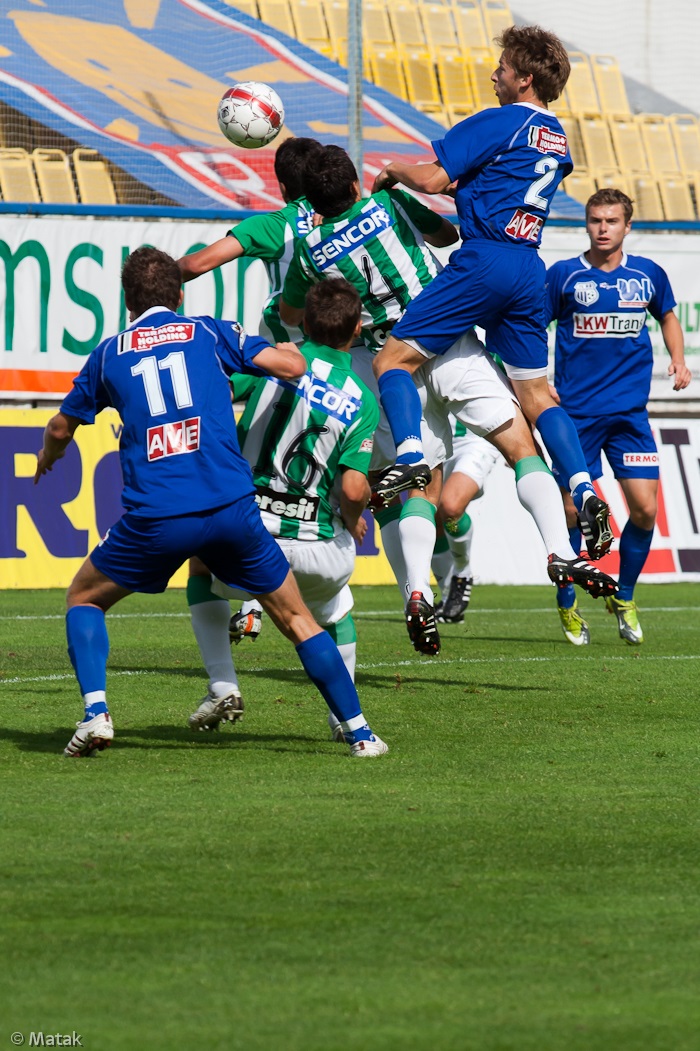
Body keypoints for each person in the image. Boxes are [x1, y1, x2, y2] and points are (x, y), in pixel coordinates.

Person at [34, 247, 387, 759]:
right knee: (297, 618)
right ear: (179, 295)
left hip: (157, 516)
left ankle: (96, 714)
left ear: (128, 300)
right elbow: (288, 363)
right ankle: (359, 733)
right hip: (232, 509)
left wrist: (49, 454)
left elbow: (61, 426)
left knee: (84, 598)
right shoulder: (207, 331)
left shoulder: (110, 353)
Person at [281, 145, 617, 655]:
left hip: (389, 364)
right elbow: (447, 233)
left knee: (419, 489)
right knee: (521, 448)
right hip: (450, 344)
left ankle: (417, 589)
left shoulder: (308, 249)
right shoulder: (390, 205)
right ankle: (556, 548)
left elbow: (292, 311)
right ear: (354, 186)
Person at [369, 25, 615, 564]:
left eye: (502, 68)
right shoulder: (556, 137)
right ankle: (583, 487)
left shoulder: (501, 120)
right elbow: (489, 184)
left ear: (525, 78)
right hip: (530, 267)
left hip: (486, 261)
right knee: (538, 398)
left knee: (392, 360)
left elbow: (433, 180)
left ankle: (410, 457)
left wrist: (394, 171)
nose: (494, 75)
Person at [192, 278, 379, 742]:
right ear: (356, 329)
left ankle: (222, 683)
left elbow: (212, 389)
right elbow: (354, 489)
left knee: (199, 566)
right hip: (318, 549)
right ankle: (343, 718)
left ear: (305, 322)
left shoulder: (270, 362)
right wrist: (354, 518)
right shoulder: (363, 399)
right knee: (334, 612)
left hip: (250, 541)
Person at [178, 137, 322, 654]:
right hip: (338, 365)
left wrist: (155, 283)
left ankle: (251, 606)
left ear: (283, 185)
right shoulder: (350, 217)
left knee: (250, 473)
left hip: (281, 362)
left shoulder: (276, 225)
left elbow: (198, 265)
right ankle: (420, 582)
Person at [545, 187, 691, 646]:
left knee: (645, 510)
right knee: (571, 511)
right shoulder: (564, 276)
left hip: (629, 414)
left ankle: (623, 596)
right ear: (585, 225)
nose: (602, 228)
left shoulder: (647, 275)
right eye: (595, 221)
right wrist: (535, 379)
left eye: (611, 221)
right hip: (576, 415)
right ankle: (568, 606)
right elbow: (531, 324)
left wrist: (679, 359)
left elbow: (667, 315)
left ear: (628, 226)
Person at [432, 422, 502, 623]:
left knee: (451, 508)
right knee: (431, 520)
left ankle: (462, 572)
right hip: (434, 441)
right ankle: (448, 598)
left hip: (474, 441)